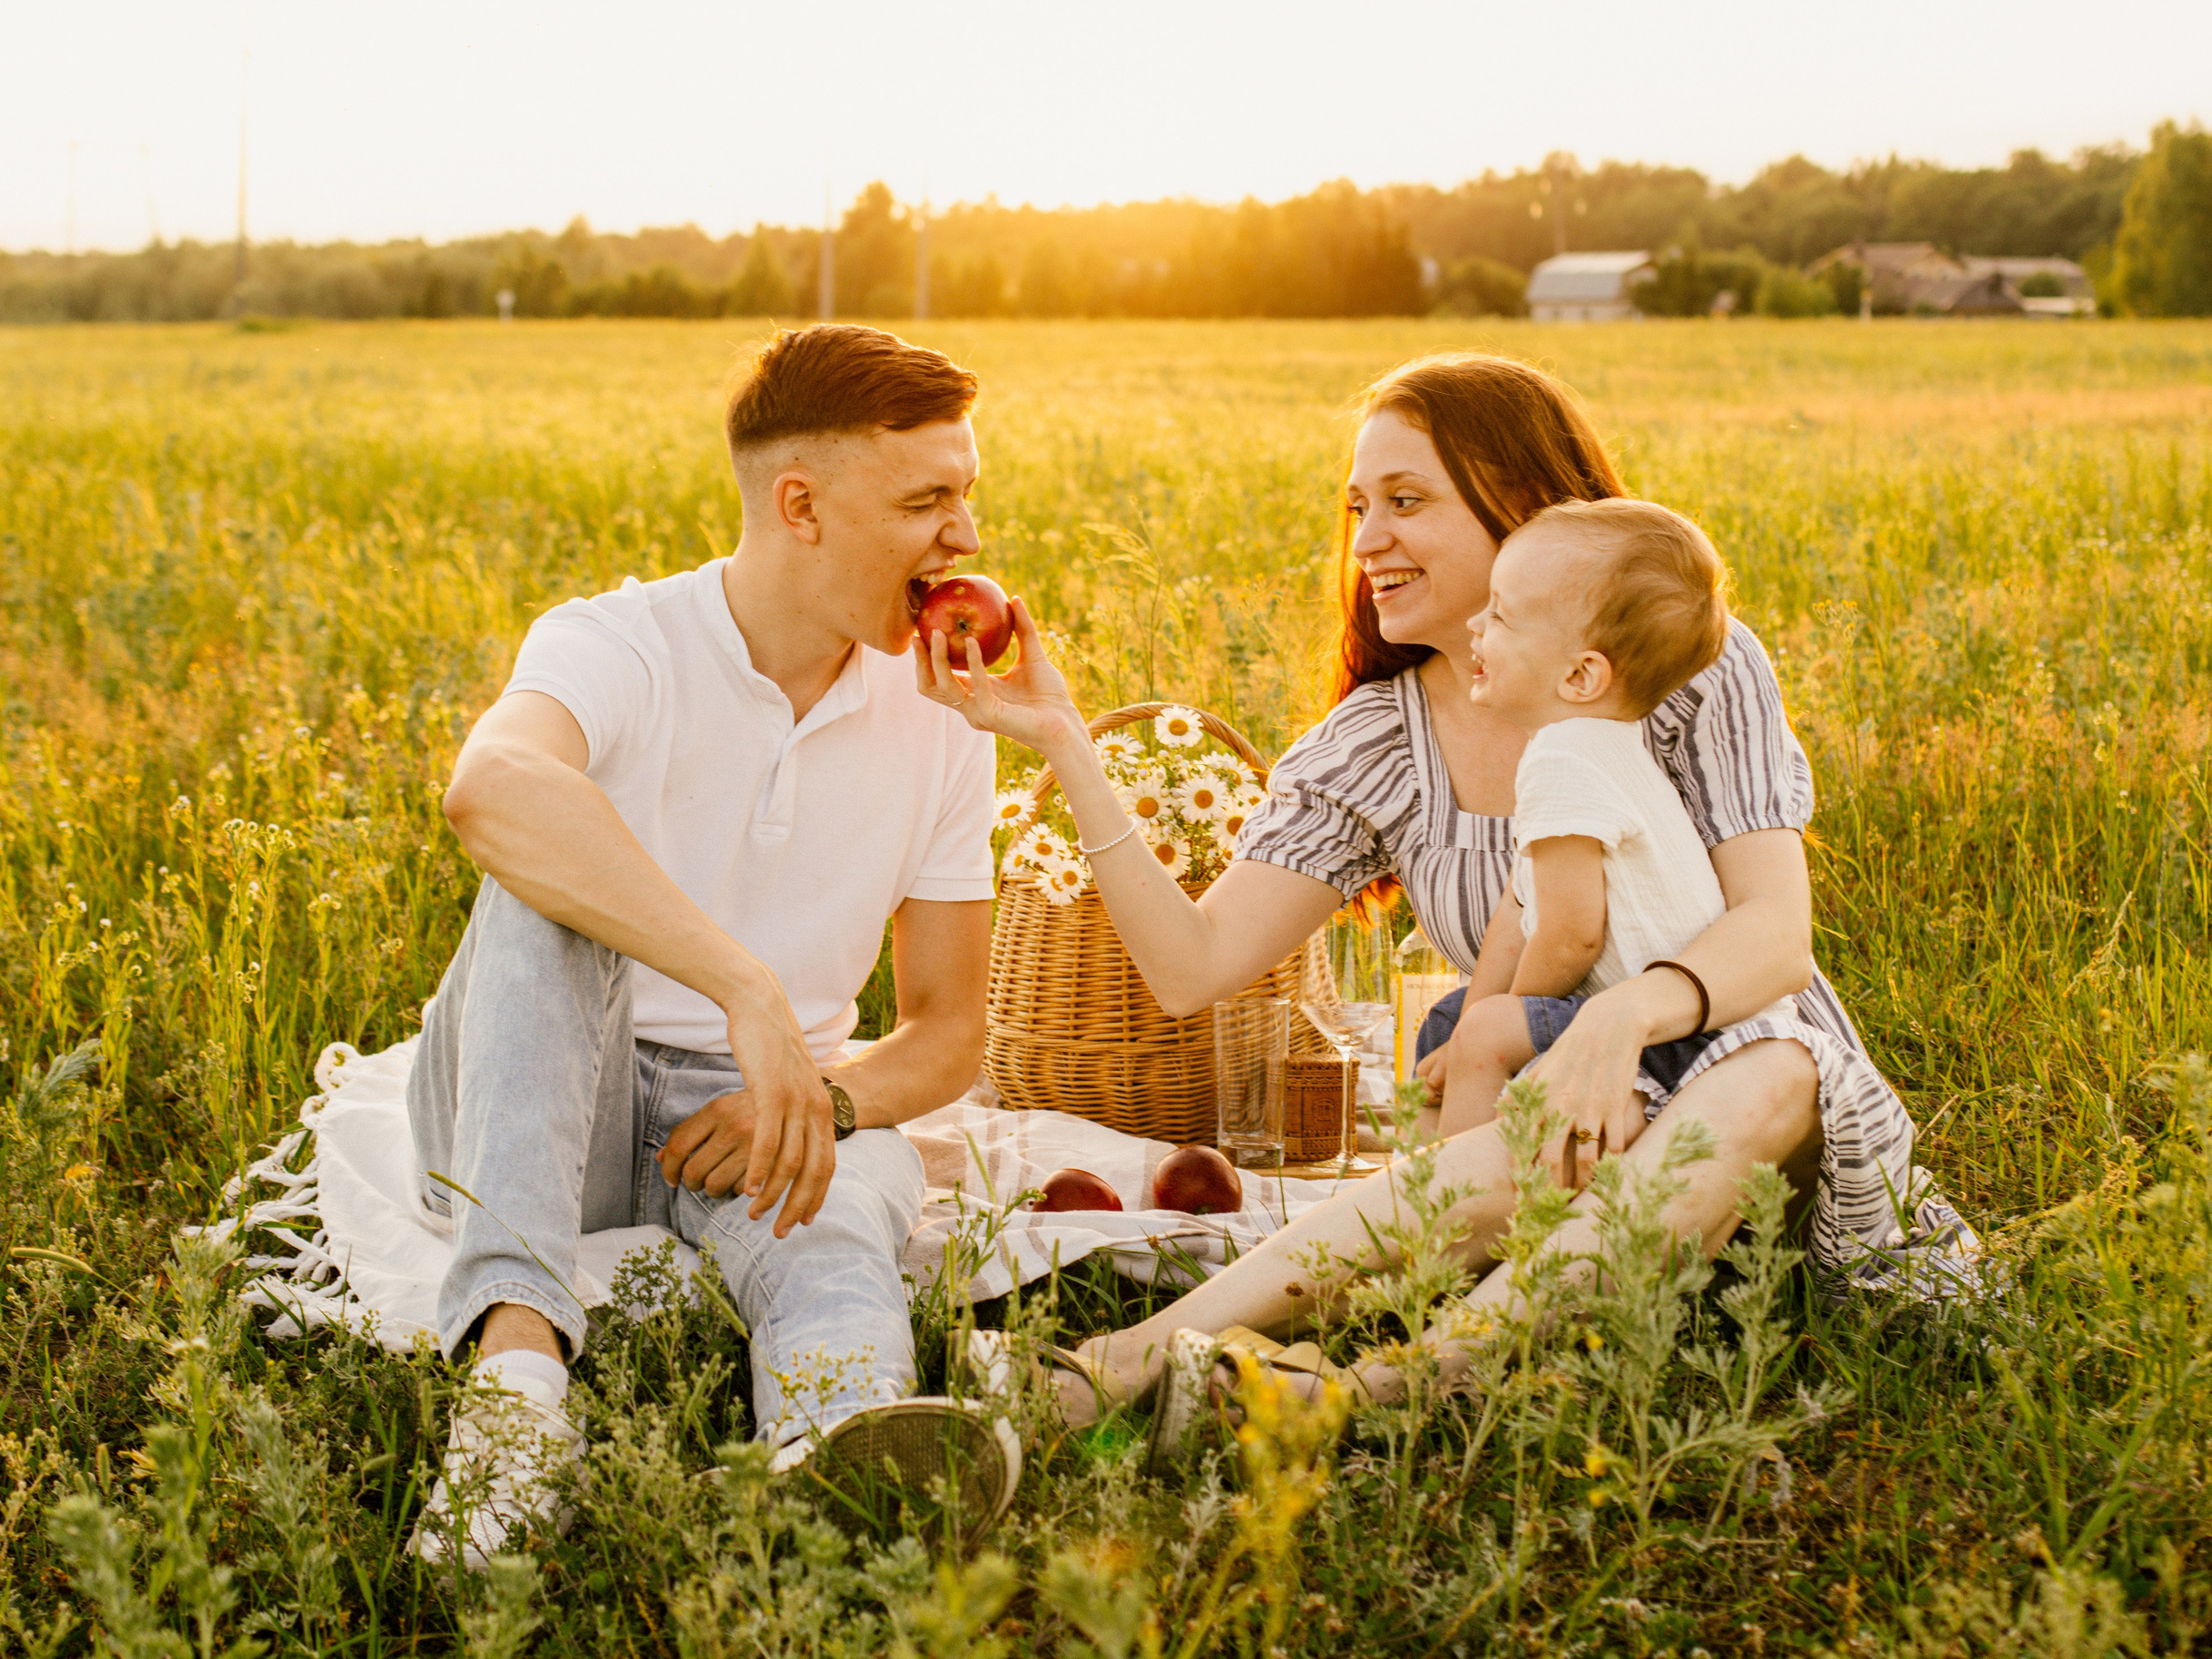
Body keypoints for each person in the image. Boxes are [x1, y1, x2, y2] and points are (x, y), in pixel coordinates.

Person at [917, 350, 1962, 1428]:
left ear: (1523, 506)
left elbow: (1776, 936)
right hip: (1563, 1152)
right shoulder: (1377, 740)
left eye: (1407, 502)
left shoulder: (1683, 667)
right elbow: (1191, 967)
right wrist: (1061, 744)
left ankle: (1382, 1396)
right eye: (1359, 506)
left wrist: (1620, 1016)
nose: (1368, 539)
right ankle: (1120, 1365)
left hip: (1768, 1139)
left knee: (1770, 1068)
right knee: (1522, 1139)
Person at [407, 325, 1012, 1568]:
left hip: (761, 1109)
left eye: (967, 498)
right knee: (545, 874)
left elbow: (950, 1029)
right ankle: (514, 1404)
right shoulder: (618, 641)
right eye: (926, 501)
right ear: (800, 505)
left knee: (838, 1213)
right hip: (539, 1096)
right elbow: (491, 786)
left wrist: (830, 1096)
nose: (963, 538)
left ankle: (837, 1455)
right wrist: (743, 985)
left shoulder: (947, 718)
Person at [1433, 497, 1789, 1140]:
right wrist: (1472, 1018)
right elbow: (1522, 906)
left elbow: (1572, 935)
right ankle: (1443, 1158)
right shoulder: (1603, 743)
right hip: (1683, 1018)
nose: (1473, 623)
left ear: (1579, 674)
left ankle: (1442, 1205)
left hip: (1676, 1039)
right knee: (1453, 1021)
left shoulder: (1564, 756)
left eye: (1501, 616)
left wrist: (1500, 1024)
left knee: (1484, 1034)